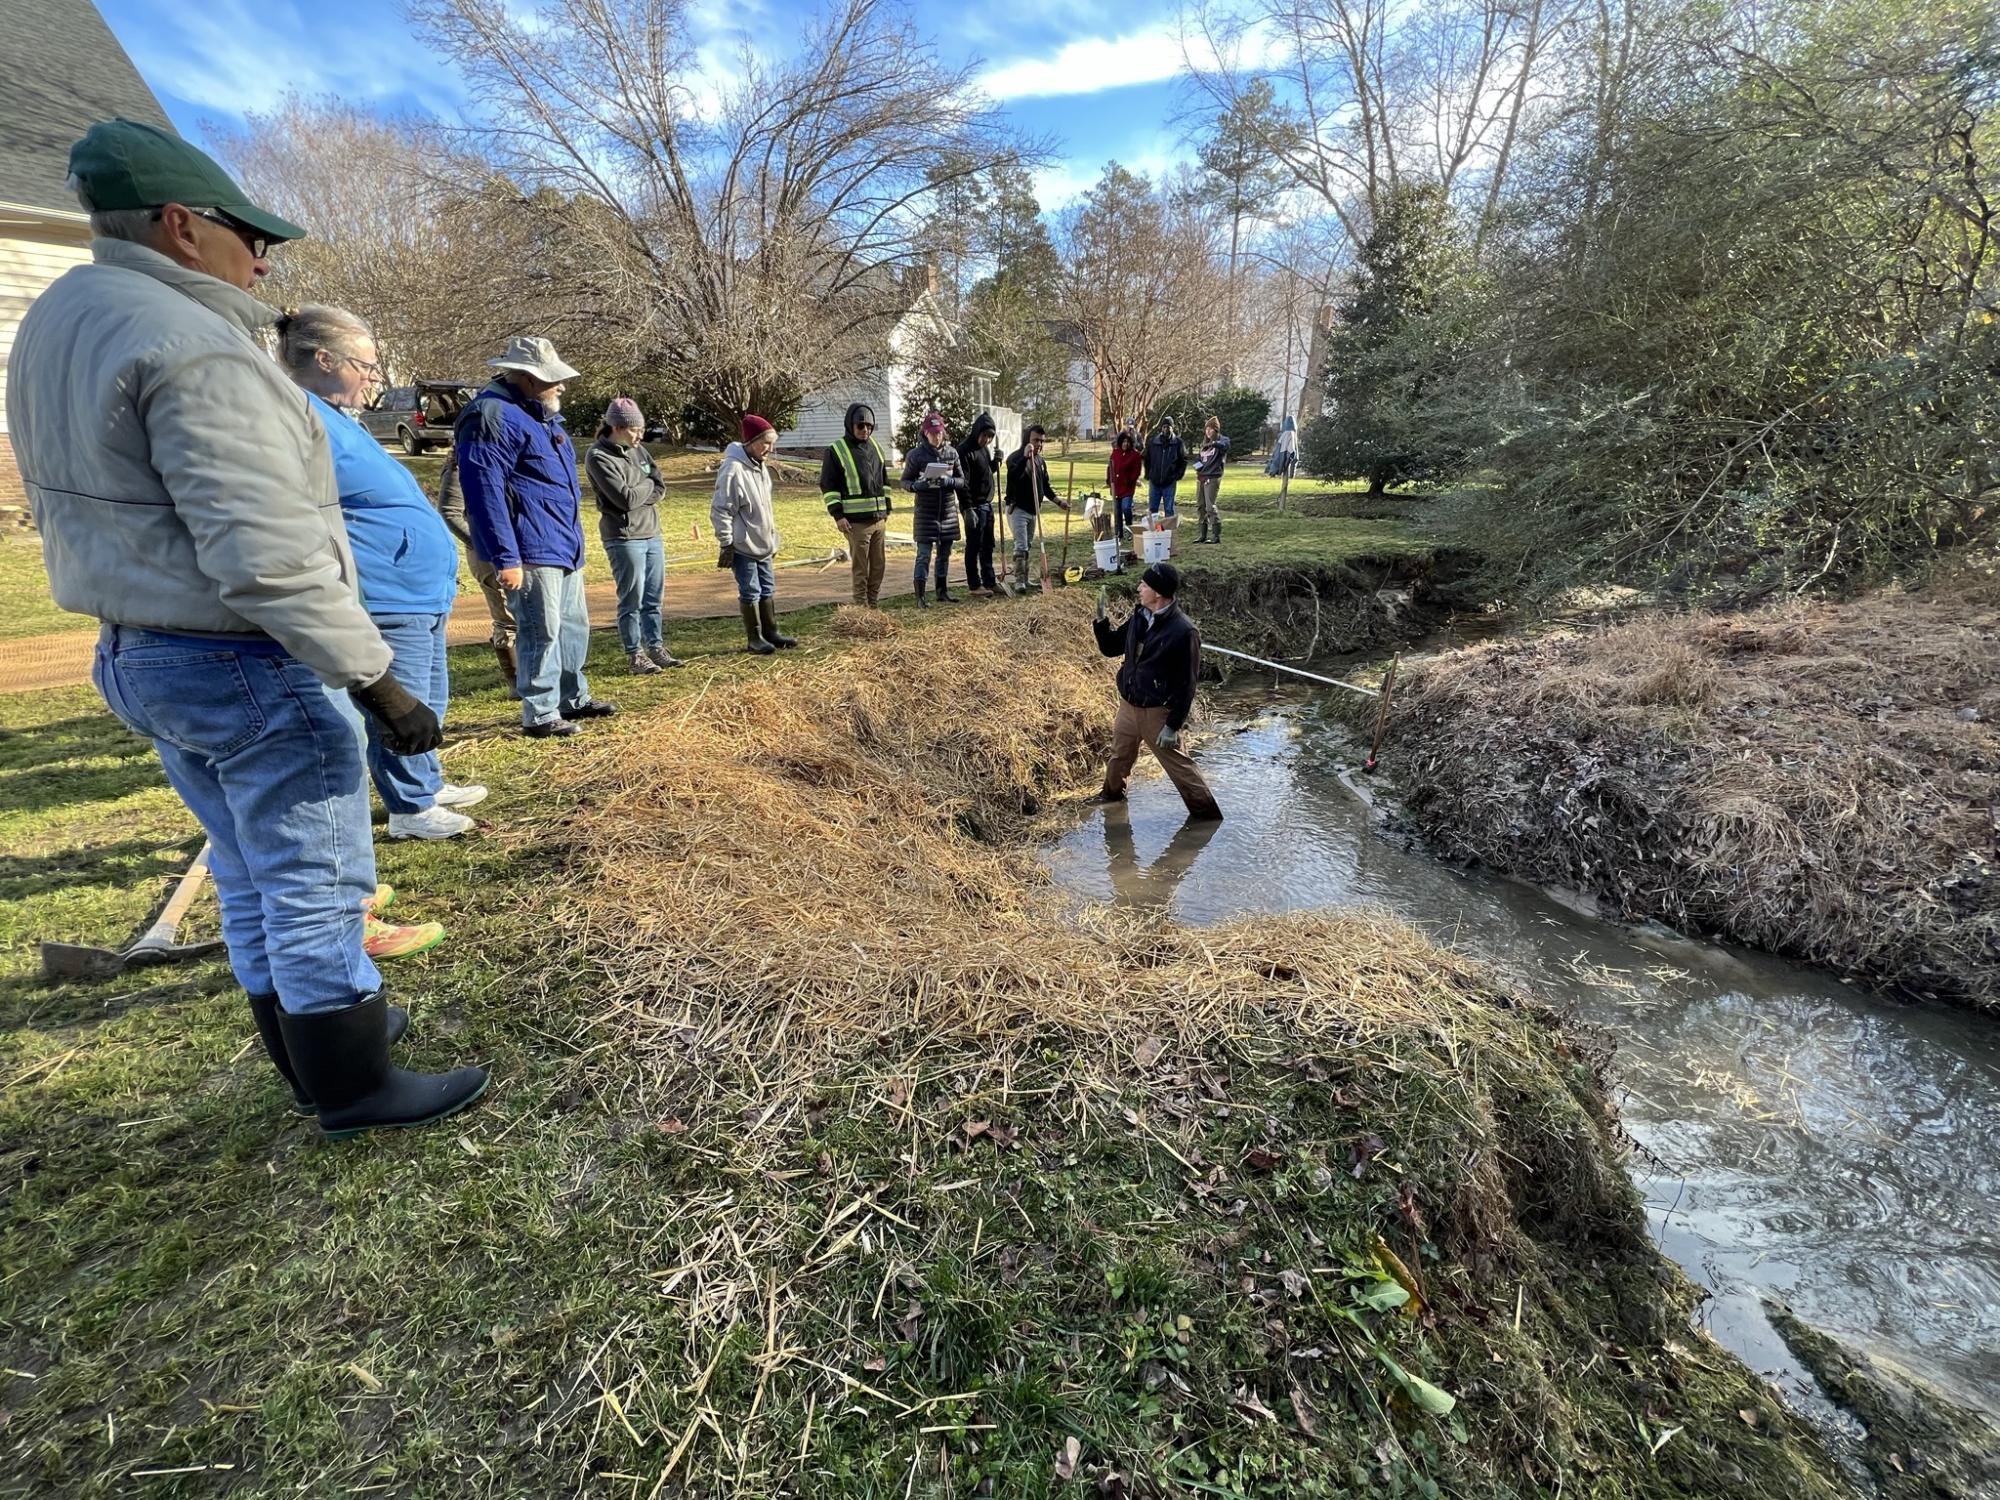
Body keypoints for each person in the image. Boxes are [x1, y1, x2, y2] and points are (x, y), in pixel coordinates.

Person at [8, 118, 485, 1135]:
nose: (262, 255)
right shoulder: (191, 345)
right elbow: (263, 556)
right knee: (314, 869)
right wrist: (377, 681)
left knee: (247, 861)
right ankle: (352, 1086)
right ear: (180, 226)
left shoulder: (63, 315)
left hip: (142, 646)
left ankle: (313, 1046)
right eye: (245, 231)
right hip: (239, 656)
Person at [280, 304, 488, 842]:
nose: (375, 379)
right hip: (387, 590)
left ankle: (426, 782)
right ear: (324, 359)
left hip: (418, 590)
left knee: (430, 694)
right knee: (405, 701)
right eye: (366, 366)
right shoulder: (300, 420)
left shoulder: (339, 418)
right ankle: (411, 808)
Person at [456, 335, 619, 738]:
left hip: (563, 544)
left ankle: (571, 698)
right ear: (527, 378)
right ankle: (540, 712)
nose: (561, 386)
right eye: (553, 379)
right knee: (540, 629)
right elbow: (485, 492)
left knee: (572, 626)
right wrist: (505, 557)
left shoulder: (543, 417)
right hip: (529, 548)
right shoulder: (491, 417)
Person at [1085, 562, 1222, 821]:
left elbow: (1187, 683)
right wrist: (1101, 621)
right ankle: (1112, 801)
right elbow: (1112, 647)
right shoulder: (1140, 616)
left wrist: (1172, 725)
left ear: (1158, 593)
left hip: (1157, 714)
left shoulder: (1184, 631)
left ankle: (1207, 818)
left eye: (1144, 585)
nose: (1139, 588)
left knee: (1180, 768)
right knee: (1118, 758)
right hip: (1128, 706)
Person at [586, 397, 683, 674]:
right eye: (634, 430)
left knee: (653, 597)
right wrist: (645, 486)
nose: (640, 435)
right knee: (632, 598)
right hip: (625, 537)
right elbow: (624, 499)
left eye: (641, 429)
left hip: (652, 532)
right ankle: (635, 654)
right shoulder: (598, 456)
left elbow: (659, 484)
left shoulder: (639, 451)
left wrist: (643, 486)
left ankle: (656, 646)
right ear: (616, 427)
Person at [435, 444, 517, 697]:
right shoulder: (460, 467)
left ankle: (535, 675)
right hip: (488, 556)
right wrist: (484, 544)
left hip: (516, 550)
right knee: (507, 617)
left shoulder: (501, 459)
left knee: (527, 614)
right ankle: (517, 682)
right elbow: (449, 512)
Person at [713, 414, 795, 654]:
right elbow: (721, 508)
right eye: (765, 443)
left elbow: (765, 509)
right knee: (750, 590)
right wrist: (726, 542)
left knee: (767, 589)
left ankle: (771, 631)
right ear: (750, 441)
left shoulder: (761, 467)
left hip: (764, 544)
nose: (769, 448)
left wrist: (773, 539)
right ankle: (754, 637)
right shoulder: (733, 469)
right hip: (743, 545)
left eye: (772, 443)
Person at [821, 403, 892, 608]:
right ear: (850, 425)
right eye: (861, 426)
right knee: (861, 567)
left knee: (878, 566)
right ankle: (861, 608)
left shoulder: (876, 448)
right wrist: (838, 515)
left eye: (869, 426)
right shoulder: (836, 450)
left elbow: (884, 480)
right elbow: (829, 485)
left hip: (879, 519)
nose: (865, 430)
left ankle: (873, 603)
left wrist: (886, 509)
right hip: (855, 522)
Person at [901, 410, 963, 607]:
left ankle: (942, 591)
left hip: (947, 513)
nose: (937, 436)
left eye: (939, 432)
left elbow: (962, 481)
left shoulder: (952, 453)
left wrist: (949, 481)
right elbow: (904, 481)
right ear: (925, 433)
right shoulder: (916, 455)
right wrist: (916, 486)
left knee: (944, 555)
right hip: (925, 514)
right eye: (932, 433)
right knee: (924, 555)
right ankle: (920, 596)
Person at [1003, 424, 1069, 593]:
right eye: (1035, 440)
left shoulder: (1040, 461)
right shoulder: (1015, 458)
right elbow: (1012, 477)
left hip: (1034, 511)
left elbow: (1045, 487)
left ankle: (1025, 579)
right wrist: (1025, 457)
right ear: (1027, 439)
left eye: (1041, 441)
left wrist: (1058, 501)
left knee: (1028, 544)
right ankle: (1019, 581)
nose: (1039, 444)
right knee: (1021, 545)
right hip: (1017, 509)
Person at [958, 411, 1001, 595]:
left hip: (986, 504)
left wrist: (995, 462)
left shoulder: (983, 449)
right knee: (974, 545)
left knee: (988, 544)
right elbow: (963, 483)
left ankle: (989, 581)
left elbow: (984, 474)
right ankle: (974, 585)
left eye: (990, 437)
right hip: (973, 506)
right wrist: (967, 508)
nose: (987, 441)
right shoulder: (964, 451)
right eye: (985, 436)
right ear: (977, 432)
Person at [1144, 417, 1189, 550]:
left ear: (1172, 428)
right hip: (1155, 481)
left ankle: (1170, 538)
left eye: (1168, 427)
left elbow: (1183, 460)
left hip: (1169, 481)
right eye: (1164, 427)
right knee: (1153, 509)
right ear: (1161, 428)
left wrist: (1177, 475)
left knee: (1169, 510)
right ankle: (1153, 536)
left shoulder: (1178, 443)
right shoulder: (1153, 442)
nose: (1166, 429)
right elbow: (1147, 459)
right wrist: (1148, 474)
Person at [1192, 416, 1230, 545]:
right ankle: (1202, 534)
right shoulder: (1204, 445)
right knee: (1200, 506)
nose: (1208, 432)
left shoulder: (1222, 441)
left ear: (1216, 430)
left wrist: (1214, 443)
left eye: (1211, 429)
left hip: (1213, 477)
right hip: (1201, 478)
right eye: (1206, 429)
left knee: (1210, 506)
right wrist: (1197, 467)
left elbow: (1225, 446)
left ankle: (1215, 535)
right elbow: (1198, 459)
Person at [1106, 431, 1144, 547]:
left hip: (1127, 487)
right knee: (1117, 511)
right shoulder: (1115, 453)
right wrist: (1109, 480)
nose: (1125, 444)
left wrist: (1131, 480)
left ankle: (1129, 527)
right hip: (1116, 486)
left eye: (1127, 442)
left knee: (1126, 507)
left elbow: (1137, 470)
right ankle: (1119, 533)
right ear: (1120, 442)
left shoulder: (1135, 455)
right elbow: (1110, 467)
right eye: (1123, 442)